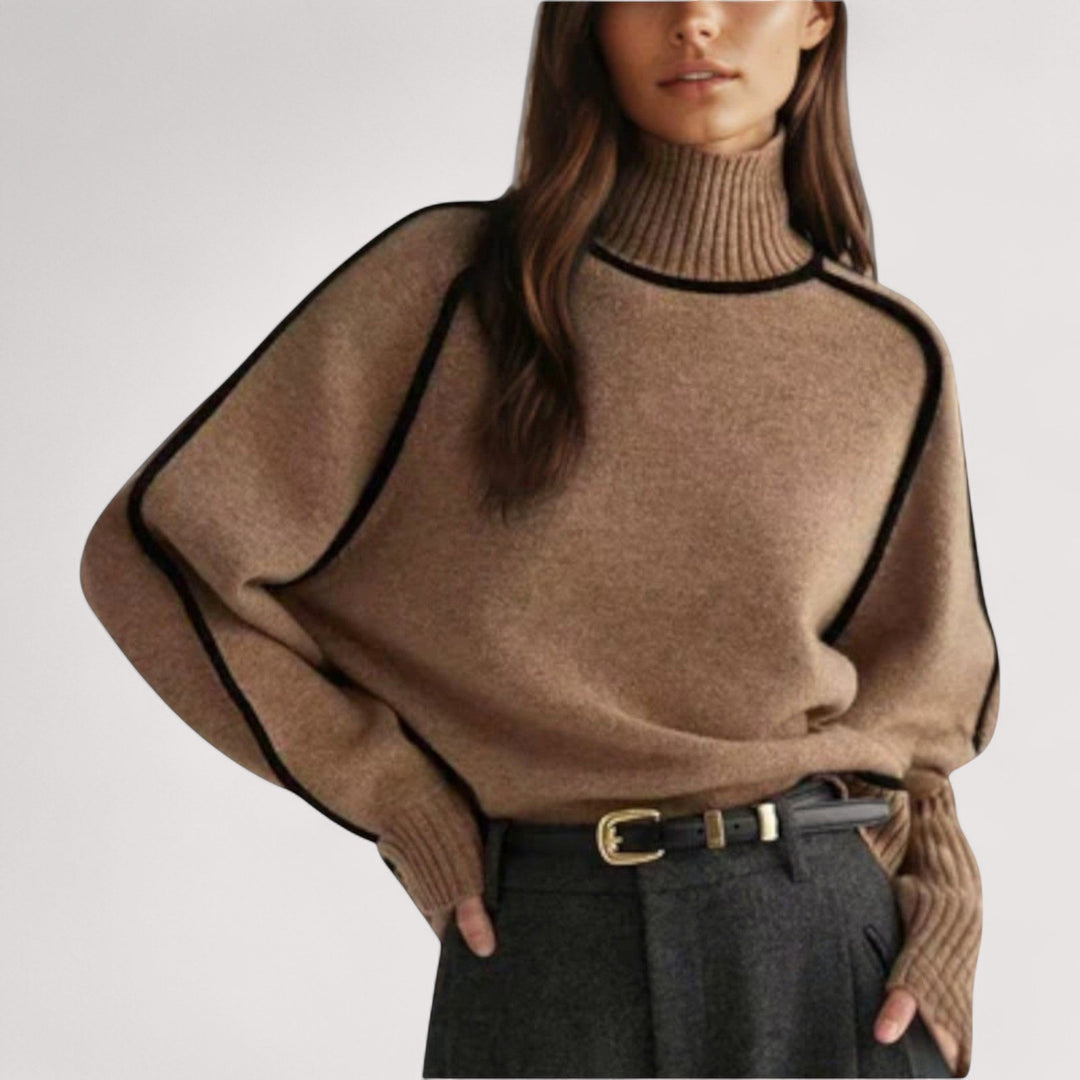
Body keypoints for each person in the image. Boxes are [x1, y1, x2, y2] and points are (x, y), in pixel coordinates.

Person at [78, 1, 999, 1077]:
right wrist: (393, 794)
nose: (695, 21)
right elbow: (157, 559)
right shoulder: (453, 287)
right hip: (549, 944)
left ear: (815, 17)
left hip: (825, 955)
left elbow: (919, 715)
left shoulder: (885, 355)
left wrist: (946, 918)